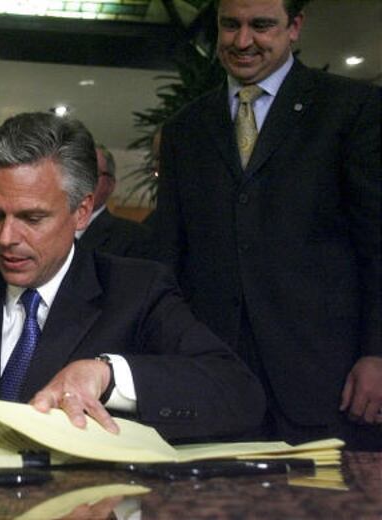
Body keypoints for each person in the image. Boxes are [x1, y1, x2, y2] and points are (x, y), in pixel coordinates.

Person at [0, 112, 265, 454]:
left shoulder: (136, 291)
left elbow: (239, 394)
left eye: (32, 218)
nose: (7, 238)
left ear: (82, 212)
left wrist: (108, 376)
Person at [153, 0, 381, 449]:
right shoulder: (184, 130)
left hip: (325, 385)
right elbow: (169, 255)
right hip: (213, 385)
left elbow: (377, 244)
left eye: (261, 25)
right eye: (230, 25)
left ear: (295, 26)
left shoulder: (352, 110)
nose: (243, 41)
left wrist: (377, 352)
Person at [76, 144, 154, 259]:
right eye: (76, 173)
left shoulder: (133, 237)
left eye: (92, 173)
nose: (82, 181)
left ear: (110, 185)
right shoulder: (51, 227)